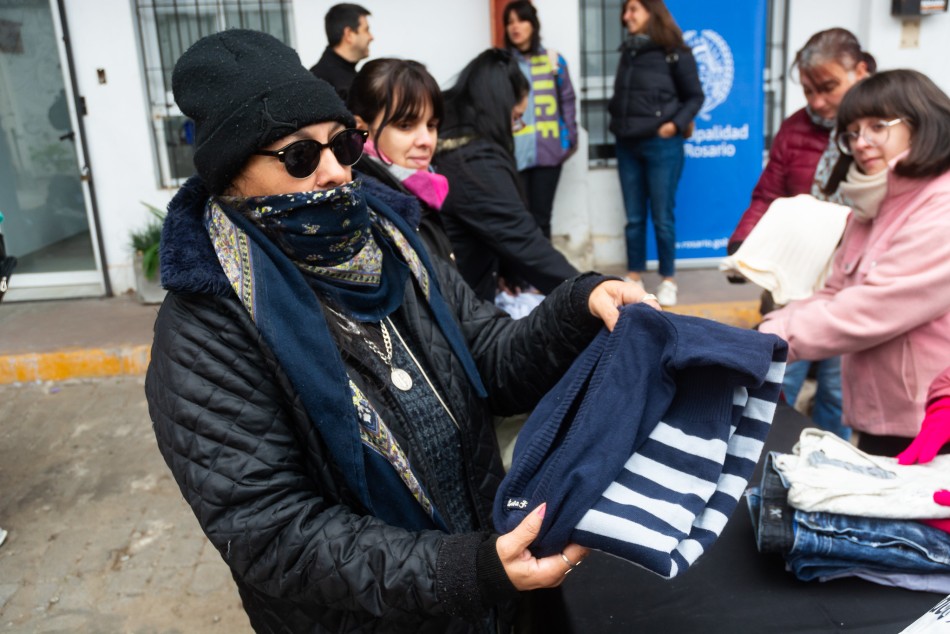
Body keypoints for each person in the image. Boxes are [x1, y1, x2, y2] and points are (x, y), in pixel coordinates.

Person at [146, 29, 659, 633]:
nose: (336, 172)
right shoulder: (205, 330)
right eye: (300, 157)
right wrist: (463, 570)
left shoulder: (392, 242)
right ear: (232, 177)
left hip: (486, 591)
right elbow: (273, 532)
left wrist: (577, 304)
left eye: (343, 144)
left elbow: (489, 356)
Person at [759, 69, 950, 457]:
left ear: (923, 124)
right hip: (885, 414)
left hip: (930, 419)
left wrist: (774, 340)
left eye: (878, 126)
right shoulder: (873, 207)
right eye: (852, 132)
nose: (861, 143)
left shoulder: (941, 205)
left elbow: (874, 307)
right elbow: (836, 291)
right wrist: (767, 329)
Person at [726, 28, 875, 441]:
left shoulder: (881, 128)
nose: (817, 102)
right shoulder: (795, 129)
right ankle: (775, 464)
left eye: (827, 88)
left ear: (861, 70)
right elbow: (769, 193)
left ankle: (833, 469)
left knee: (837, 389)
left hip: (852, 285)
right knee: (777, 382)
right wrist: (745, 243)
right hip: (794, 280)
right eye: (809, 91)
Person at [435, 48, 579, 303]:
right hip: (464, 310)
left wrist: (499, 271)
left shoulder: (456, 140)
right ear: (497, 109)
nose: (515, 129)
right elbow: (525, 243)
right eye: (515, 119)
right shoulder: (474, 162)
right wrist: (593, 290)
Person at [609, 0, 704, 307]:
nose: (627, 16)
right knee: (634, 218)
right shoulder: (628, 51)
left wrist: (673, 125)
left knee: (662, 217)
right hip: (628, 144)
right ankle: (634, 276)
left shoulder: (675, 51)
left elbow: (694, 96)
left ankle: (668, 279)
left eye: (633, 9)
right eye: (625, 10)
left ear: (651, 12)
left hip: (662, 146)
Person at [348, 58, 455, 264]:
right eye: (405, 125)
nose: (426, 141)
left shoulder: (421, 187)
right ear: (362, 129)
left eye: (431, 125)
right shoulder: (364, 214)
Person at [503, 0, 578, 239]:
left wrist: (570, 140)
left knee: (542, 218)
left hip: (549, 154)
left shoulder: (554, 60)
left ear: (533, 25)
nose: (515, 27)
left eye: (521, 20)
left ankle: (546, 277)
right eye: (509, 22)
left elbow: (567, 99)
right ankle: (518, 277)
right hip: (515, 156)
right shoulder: (503, 63)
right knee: (519, 218)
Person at [309, 3, 373, 101]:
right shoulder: (326, 84)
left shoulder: (343, 76)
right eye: (366, 30)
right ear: (349, 34)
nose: (371, 37)